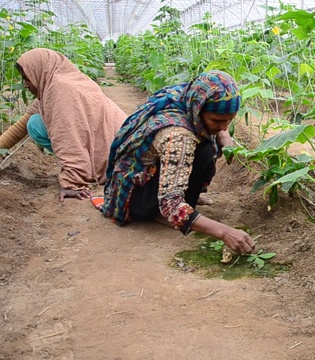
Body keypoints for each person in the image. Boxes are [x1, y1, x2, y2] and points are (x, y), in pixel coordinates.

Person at [93, 70, 255, 255]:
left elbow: (219, 125)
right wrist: (225, 232)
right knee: (205, 150)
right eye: (217, 121)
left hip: (130, 178)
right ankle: (156, 211)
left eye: (230, 120)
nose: (225, 126)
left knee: (207, 141)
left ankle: (181, 194)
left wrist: (224, 136)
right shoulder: (178, 136)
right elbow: (170, 205)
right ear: (198, 109)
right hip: (133, 198)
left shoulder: (184, 96)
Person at [0, 48, 126, 201]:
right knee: (34, 123)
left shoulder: (60, 90)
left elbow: (68, 138)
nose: (26, 85)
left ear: (39, 71)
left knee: (45, 127)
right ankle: (86, 167)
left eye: (27, 78)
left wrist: (71, 183)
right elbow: (19, 128)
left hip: (116, 154)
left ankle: (84, 170)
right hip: (116, 144)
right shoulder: (54, 83)